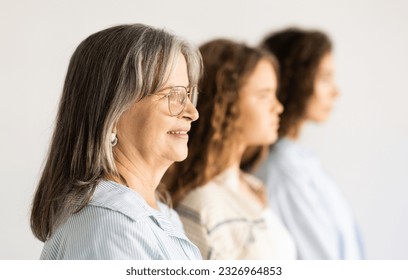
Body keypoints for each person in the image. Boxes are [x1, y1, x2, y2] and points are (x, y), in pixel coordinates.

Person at [30, 24, 203, 260]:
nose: (192, 112)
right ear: (112, 113)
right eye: (172, 95)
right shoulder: (112, 229)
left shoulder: (158, 216)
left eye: (187, 94)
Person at [162, 39, 296, 260]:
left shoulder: (254, 187)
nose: (278, 107)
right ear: (224, 103)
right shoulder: (202, 205)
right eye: (264, 95)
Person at [254, 27, 365, 259]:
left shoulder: (299, 163)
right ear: (297, 80)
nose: (336, 92)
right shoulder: (285, 172)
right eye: (324, 78)